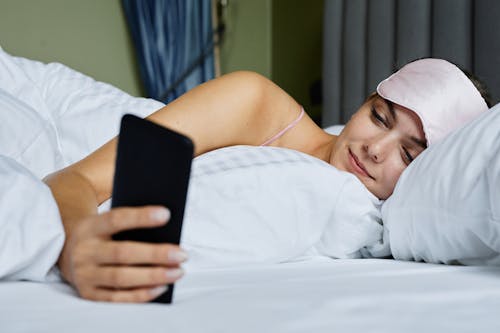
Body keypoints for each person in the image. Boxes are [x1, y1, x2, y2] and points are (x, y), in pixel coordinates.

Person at [44, 58, 492, 303]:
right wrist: (74, 244)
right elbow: (74, 180)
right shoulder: (254, 102)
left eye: (409, 154)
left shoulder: (397, 225)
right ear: (362, 103)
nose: (376, 148)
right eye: (379, 117)